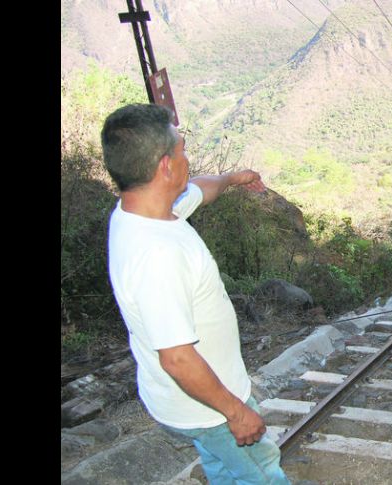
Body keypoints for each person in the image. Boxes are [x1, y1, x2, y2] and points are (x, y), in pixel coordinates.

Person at [101, 103, 290, 484]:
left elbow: (200, 191)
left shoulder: (144, 211)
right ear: (165, 166)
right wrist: (236, 413)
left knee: (223, 468)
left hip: (193, 402)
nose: (187, 157)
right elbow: (178, 359)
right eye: (182, 148)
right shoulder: (157, 255)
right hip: (207, 408)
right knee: (261, 472)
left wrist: (232, 178)